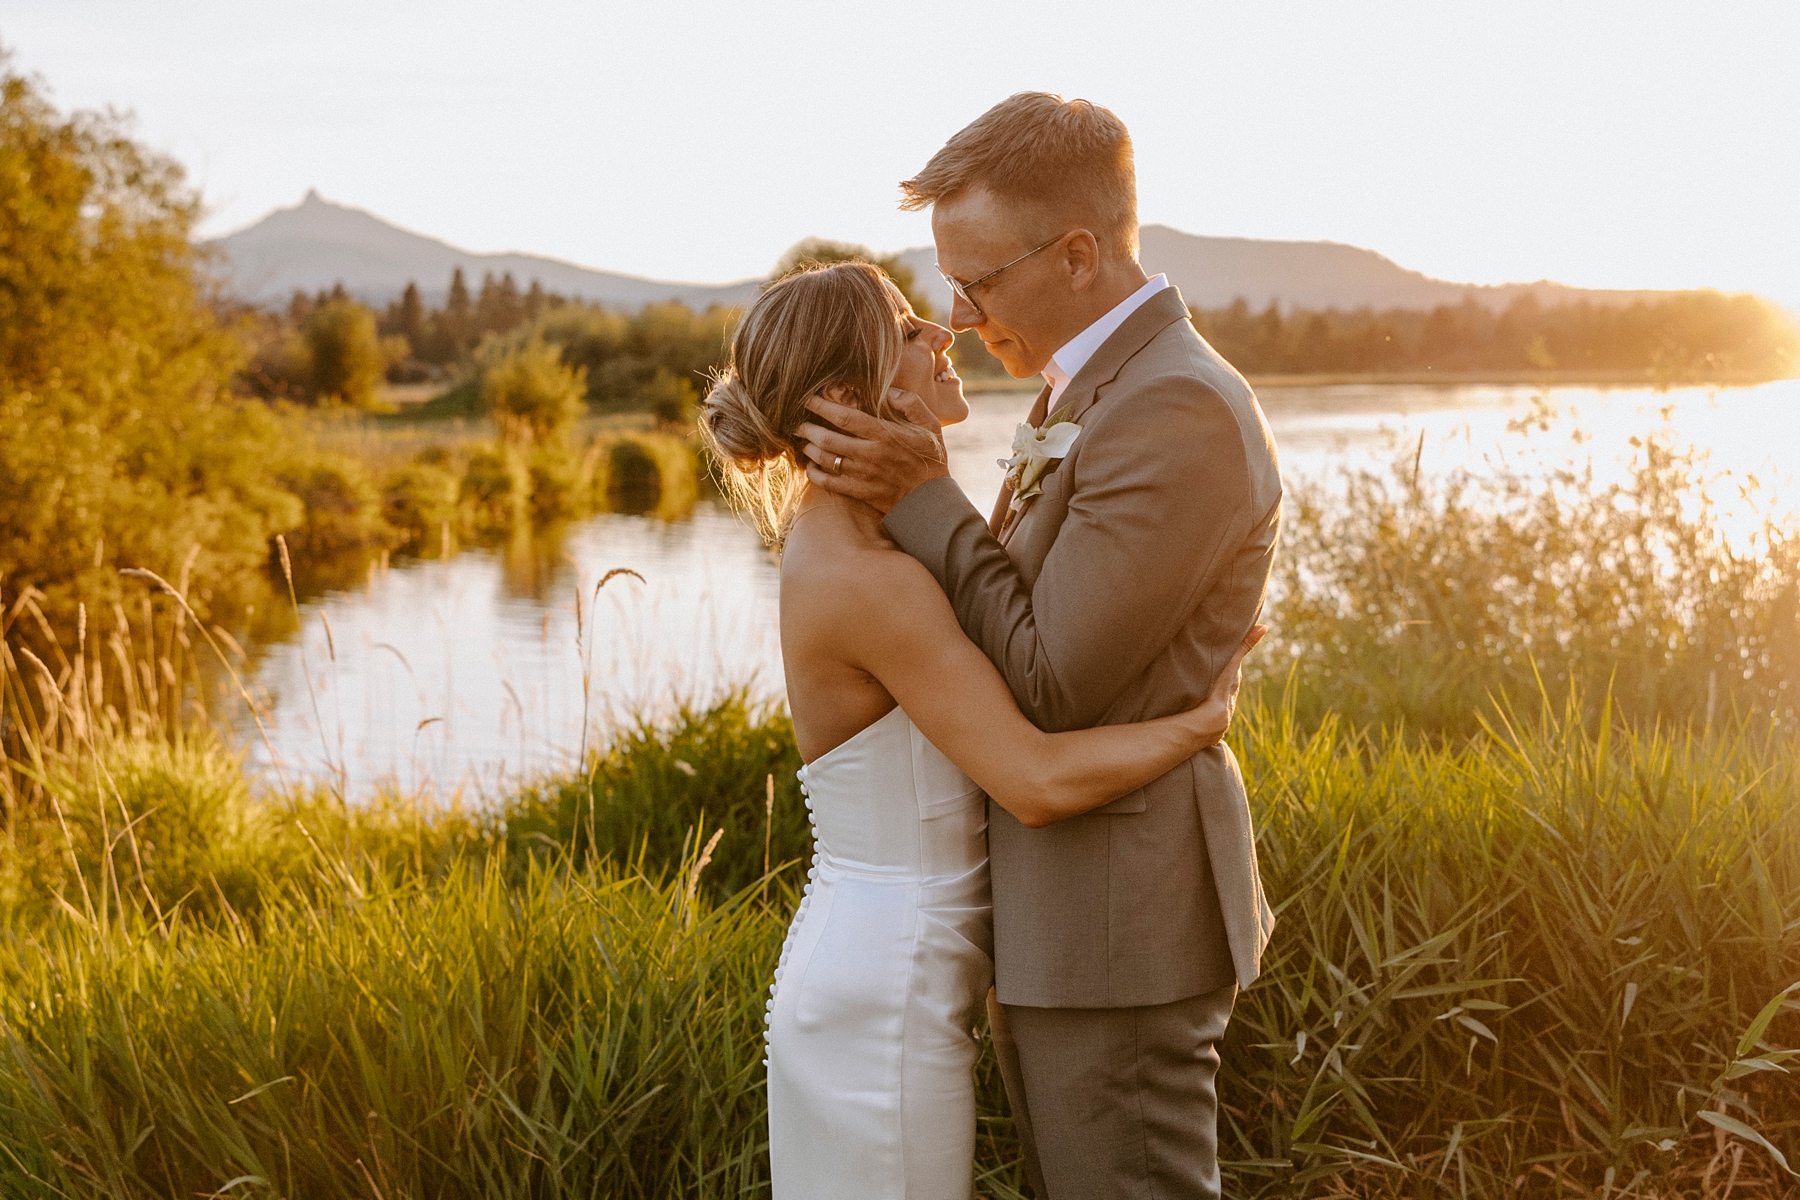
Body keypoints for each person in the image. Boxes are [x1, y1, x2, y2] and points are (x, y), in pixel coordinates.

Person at [796, 94, 1283, 1200]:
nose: (959, 317)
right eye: (948, 285)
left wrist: (926, 500)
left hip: (1118, 926)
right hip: (1066, 920)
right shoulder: (1094, 387)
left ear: (1075, 255)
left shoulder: (1174, 406)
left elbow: (1056, 685)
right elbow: (1019, 616)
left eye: (978, 282)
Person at [699, 260, 1264, 1200]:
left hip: (891, 967)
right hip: (885, 991)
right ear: (848, 400)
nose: (942, 331)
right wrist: (1196, 724)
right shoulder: (870, 579)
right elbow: (1033, 780)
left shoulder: (871, 546)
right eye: (906, 330)